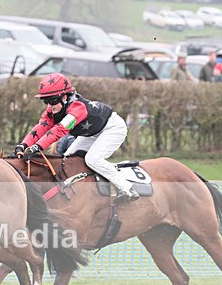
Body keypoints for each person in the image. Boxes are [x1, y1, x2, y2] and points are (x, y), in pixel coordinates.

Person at [15, 72, 139, 201]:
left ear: (64, 97)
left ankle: (128, 189)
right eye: (46, 101)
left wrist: (36, 148)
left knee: (93, 159)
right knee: (67, 159)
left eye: (52, 100)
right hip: (92, 132)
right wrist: (23, 145)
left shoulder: (78, 108)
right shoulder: (53, 110)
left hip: (112, 128)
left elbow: (59, 130)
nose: (49, 106)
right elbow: (40, 128)